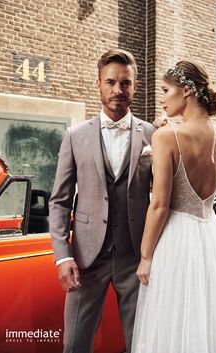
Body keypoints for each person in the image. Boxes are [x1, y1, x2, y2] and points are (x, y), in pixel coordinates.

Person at [49, 48, 155, 353]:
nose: (117, 90)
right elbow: (59, 201)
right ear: (98, 84)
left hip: (136, 259)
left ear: (135, 86)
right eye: (110, 82)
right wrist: (63, 256)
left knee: (143, 344)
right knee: (75, 344)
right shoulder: (75, 135)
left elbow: (163, 198)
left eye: (125, 83)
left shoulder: (153, 135)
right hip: (85, 260)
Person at [131, 61, 216, 353]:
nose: (162, 98)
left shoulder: (167, 136)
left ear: (186, 91)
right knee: (206, 318)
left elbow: (161, 205)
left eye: (165, 90)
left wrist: (146, 255)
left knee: (171, 322)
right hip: (208, 236)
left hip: (176, 238)